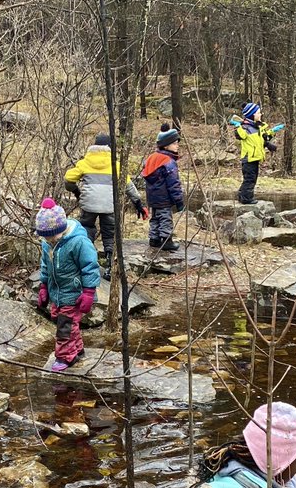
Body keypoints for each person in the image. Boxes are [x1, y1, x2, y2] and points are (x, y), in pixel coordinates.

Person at [64, 133, 149, 270]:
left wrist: (76, 192)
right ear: (110, 147)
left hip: (89, 204)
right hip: (109, 205)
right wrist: (138, 204)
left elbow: (68, 179)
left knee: (86, 228)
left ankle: (85, 259)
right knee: (109, 234)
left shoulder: (84, 163)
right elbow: (129, 187)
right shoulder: (116, 165)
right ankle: (110, 265)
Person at [35, 197, 100, 372]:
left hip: (74, 293)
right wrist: (43, 286)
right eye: (44, 237)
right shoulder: (47, 243)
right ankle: (77, 350)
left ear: (60, 230)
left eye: (50, 236)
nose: (47, 240)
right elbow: (45, 266)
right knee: (60, 320)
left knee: (66, 325)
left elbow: (90, 267)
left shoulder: (78, 242)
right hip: (57, 292)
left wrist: (88, 292)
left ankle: (65, 357)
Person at [141, 123, 184, 251]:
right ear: (166, 145)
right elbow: (173, 183)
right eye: (175, 143)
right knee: (165, 218)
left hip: (152, 198)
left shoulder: (152, 158)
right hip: (164, 198)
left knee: (155, 218)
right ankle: (166, 240)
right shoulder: (168, 161)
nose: (178, 145)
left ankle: (154, 239)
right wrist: (179, 200)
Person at [235, 102, 278, 205]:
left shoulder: (256, 127)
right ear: (253, 115)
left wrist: (272, 132)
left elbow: (263, 139)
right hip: (249, 159)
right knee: (250, 179)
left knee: (250, 178)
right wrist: (237, 127)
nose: (261, 114)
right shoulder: (246, 128)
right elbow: (240, 135)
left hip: (254, 159)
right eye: (259, 113)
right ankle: (246, 198)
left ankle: (242, 195)